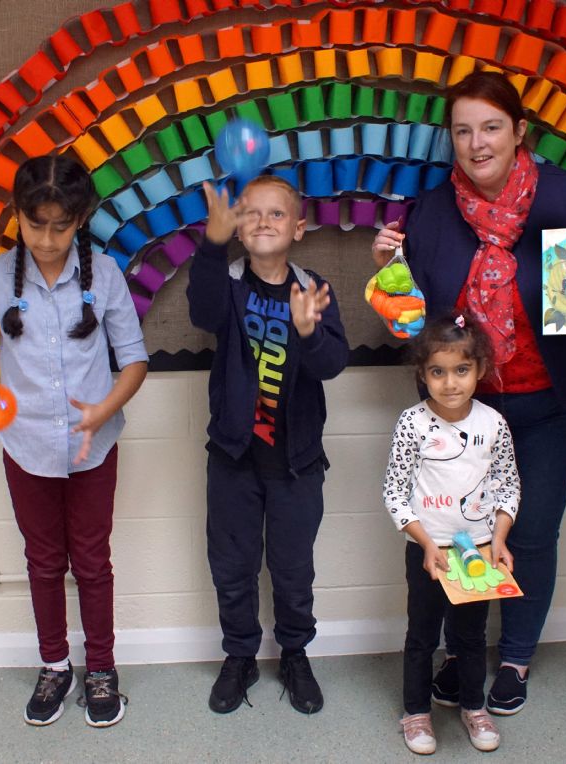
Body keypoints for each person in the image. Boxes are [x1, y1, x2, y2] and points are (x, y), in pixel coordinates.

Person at [372, 70, 566, 716]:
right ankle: (464, 654)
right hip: (464, 412)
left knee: (531, 533)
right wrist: (388, 271)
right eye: (463, 131)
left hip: (551, 403)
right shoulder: (428, 214)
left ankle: (514, 658)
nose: (477, 144)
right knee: (464, 534)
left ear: (520, 132)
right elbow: (413, 325)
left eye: (492, 127)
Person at [0, 155, 148, 727]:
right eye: (37, 226)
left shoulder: (103, 274)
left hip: (94, 447)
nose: (49, 239)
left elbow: (133, 360)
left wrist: (104, 407)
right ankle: (54, 664)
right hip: (25, 449)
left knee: (91, 561)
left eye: (62, 225)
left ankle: (101, 669)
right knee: (42, 560)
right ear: (18, 217)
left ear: (80, 218)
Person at [188, 175, 349, 715]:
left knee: (292, 567)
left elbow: (331, 365)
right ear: (237, 228)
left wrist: (307, 331)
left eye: (276, 214)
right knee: (231, 567)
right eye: (250, 213)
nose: (262, 221)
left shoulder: (313, 288)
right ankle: (239, 656)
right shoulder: (228, 283)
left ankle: (296, 653)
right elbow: (201, 313)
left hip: (296, 465)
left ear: (299, 228)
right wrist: (211, 242)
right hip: (234, 460)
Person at [384, 314, 520, 754]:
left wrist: (498, 539)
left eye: (461, 370)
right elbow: (394, 492)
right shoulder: (413, 422)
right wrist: (425, 543)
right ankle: (416, 714)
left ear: (479, 369)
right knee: (422, 635)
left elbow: (507, 485)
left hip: (476, 551)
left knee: (470, 637)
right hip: (428, 550)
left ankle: (473, 706)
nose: (450, 383)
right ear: (422, 375)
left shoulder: (494, 423)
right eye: (437, 372)